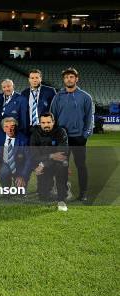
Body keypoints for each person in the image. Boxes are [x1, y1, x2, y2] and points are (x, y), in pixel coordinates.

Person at [50, 67, 94, 201]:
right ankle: (62, 192)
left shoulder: (85, 97)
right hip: (63, 138)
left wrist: (85, 134)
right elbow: (52, 116)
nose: (69, 79)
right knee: (61, 165)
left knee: (81, 165)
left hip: (79, 138)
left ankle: (83, 193)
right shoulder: (58, 96)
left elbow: (89, 117)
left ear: (76, 79)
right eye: (66, 77)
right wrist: (55, 135)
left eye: (71, 77)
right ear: (64, 80)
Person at [29, 112, 70, 211]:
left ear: (53, 122)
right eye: (43, 123)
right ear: (40, 123)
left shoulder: (61, 132)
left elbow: (62, 154)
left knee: (61, 166)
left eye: (48, 122)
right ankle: (48, 189)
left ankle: (61, 199)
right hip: (43, 164)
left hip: (56, 164)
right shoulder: (35, 134)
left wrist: (44, 163)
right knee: (43, 196)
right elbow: (34, 155)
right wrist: (51, 156)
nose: (46, 125)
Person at [0, 117, 30, 190]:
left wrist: (23, 175)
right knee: (3, 171)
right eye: (6, 127)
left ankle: (19, 185)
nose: (10, 129)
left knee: (20, 192)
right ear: (3, 129)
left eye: (12, 127)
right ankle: (6, 189)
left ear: (16, 127)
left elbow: (28, 160)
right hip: (4, 165)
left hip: (19, 166)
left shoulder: (23, 139)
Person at [20, 69, 56, 134]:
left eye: (37, 77)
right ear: (29, 79)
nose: (34, 80)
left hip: (44, 126)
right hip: (29, 127)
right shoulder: (24, 93)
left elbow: (55, 109)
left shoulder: (50, 91)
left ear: (40, 79)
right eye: (32, 78)